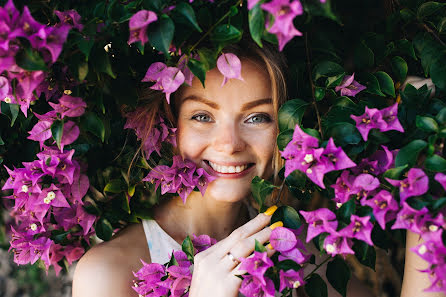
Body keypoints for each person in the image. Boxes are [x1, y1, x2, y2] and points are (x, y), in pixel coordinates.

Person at [72, 40, 443, 297]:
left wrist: (425, 179)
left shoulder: (291, 254)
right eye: (203, 116)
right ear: (169, 128)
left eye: (257, 117)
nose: (230, 143)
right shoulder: (107, 275)